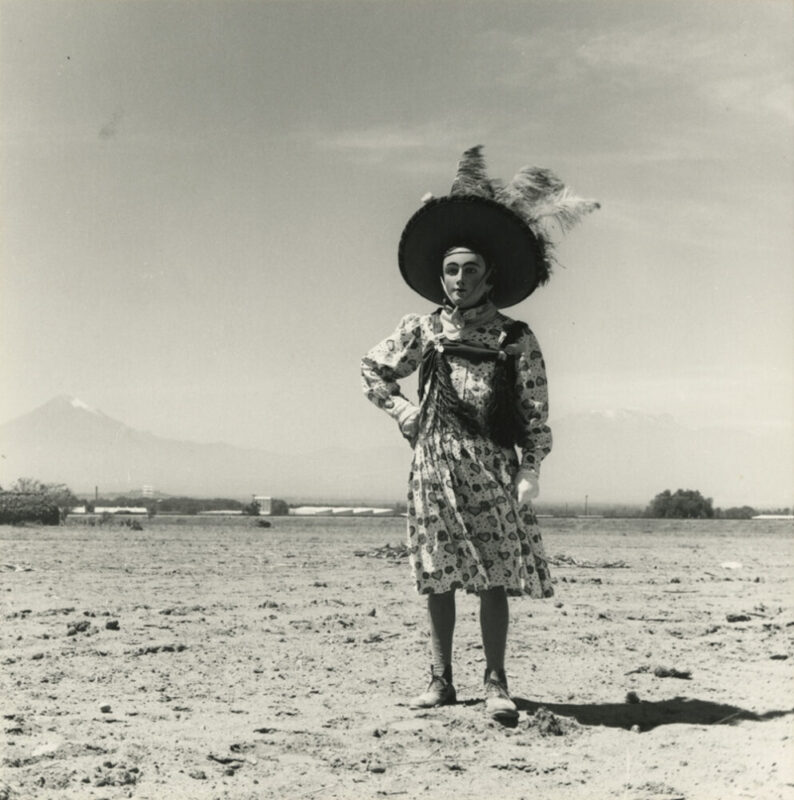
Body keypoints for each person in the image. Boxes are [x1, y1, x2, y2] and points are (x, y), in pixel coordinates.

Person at [361, 146, 598, 721]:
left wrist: (528, 468)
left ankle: (496, 682)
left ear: (489, 274)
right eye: (450, 270)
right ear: (439, 276)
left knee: (493, 575)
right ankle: (441, 680)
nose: (460, 280)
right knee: (437, 573)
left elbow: (535, 412)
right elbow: (372, 369)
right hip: (435, 466)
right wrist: (403, 413)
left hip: (492, 469)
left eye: (470, 269)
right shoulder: (421, 330)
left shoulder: (515, 337)